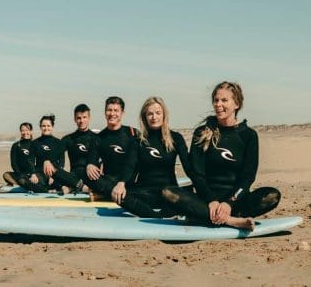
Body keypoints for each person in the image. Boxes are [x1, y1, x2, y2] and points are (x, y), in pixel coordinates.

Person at [161, 81, 281, 230]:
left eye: (224, 100)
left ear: (237, 104)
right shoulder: (202, 132)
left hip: (236, 201)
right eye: (216, 100)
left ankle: (208, 217)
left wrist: (229, 203)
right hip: (205, 200)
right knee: (168, 192)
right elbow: (197, 173)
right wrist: (211, 200)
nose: (218, 104)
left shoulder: (248, 136)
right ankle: (231, 221)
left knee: (272, 195)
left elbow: (248, 176)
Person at [118, 96, 194, 217]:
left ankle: (155, 212)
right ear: (145, 117)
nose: (154, 117)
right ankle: (157, 216)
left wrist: (198, 184)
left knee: (185, 194)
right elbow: (129, 166)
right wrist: (121, 183)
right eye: (150, 114)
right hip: (145, 192)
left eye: (158, 113)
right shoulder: (137, 141)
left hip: (169, 193)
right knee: (119, 196)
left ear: (164, 114)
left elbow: (188, 166)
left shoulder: (176, 138)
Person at [86, 96, 139, 203]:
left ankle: (105, 195)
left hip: (129, 181)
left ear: (122, 113)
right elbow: (92, 159)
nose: (112, 113)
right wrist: (90, 165)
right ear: (105, 112)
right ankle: (117, 194)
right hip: (109, 181)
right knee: (85, 173)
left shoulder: (132, 133)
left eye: (116, 110)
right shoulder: (98, 138)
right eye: (109, 110)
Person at [43, 104, 97, 194]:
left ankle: (72, 187)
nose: (82, 120)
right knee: (52, 169)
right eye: (79, 118)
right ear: (74, 119)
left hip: (92, 176)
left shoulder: (96, 138)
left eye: (84, 117)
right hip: (73, 176)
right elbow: (55, 153)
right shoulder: (68, 139)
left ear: (89, 118)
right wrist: (47, 160)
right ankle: (82, 187)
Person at [28, 114, 65, 192]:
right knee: (29, 181)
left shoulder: (58, 142)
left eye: (48, 126)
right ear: (40, 127)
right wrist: (33, 174)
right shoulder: (35, 143)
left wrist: (55, 176)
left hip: (55, 173)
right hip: (40, 173)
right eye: (43, 126)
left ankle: (48, 188)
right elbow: (31, 160)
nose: (46, 128)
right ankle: (47, 189)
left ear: (52, 127)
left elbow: (62, 161)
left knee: (66, 181)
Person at [2, 122, 34, 187]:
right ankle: (19, 185)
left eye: (27, 130)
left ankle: (18, 185)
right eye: (23, 130)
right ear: (20, 132)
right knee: (6, 175)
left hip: (33, 175)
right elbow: (13, 163)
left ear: (31, 131)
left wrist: (33, 174)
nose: (25, 133)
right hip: (20, 175)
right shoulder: (16, 145)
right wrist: (20, 174)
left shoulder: (36, 144)